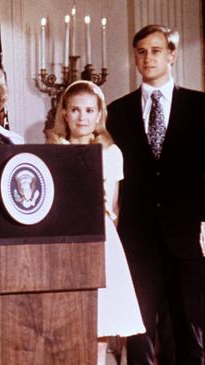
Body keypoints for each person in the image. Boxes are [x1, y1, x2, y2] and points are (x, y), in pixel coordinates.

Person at [106, 24, 205, 365]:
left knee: (189, 328)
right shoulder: (116, 112)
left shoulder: (199, 107)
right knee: (139, 330)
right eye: (142, 51)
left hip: (186, 236)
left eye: (157, 50)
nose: (148, 58)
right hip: (137, 236)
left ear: (172, 55)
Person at [46, 80, 146, 364]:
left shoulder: (111, 153)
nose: (82, 117)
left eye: (89, 110)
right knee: (67, 320)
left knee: (101, 320)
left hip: (100, 235)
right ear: (65, 113)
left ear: (99, 114)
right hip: (64, 237)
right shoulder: (56, 150)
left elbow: (113, 205)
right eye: (75, 110)